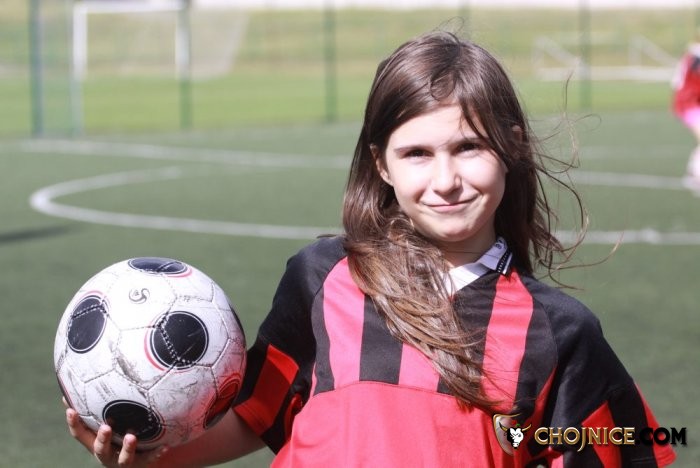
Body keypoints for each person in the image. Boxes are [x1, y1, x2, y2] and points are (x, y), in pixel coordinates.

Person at [66, 30, 676, 467]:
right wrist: (148, 458)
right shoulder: (321, 277)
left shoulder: (559, 330)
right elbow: (253, 415)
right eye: (417, 154)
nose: (445, 180)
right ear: (381, 164)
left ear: (511, 147)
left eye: (469, 147)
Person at [672, 39, 700, 191]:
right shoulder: (696, 56)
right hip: (689, 103)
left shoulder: (693, 54)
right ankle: (695, 176)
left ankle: (693, 172)